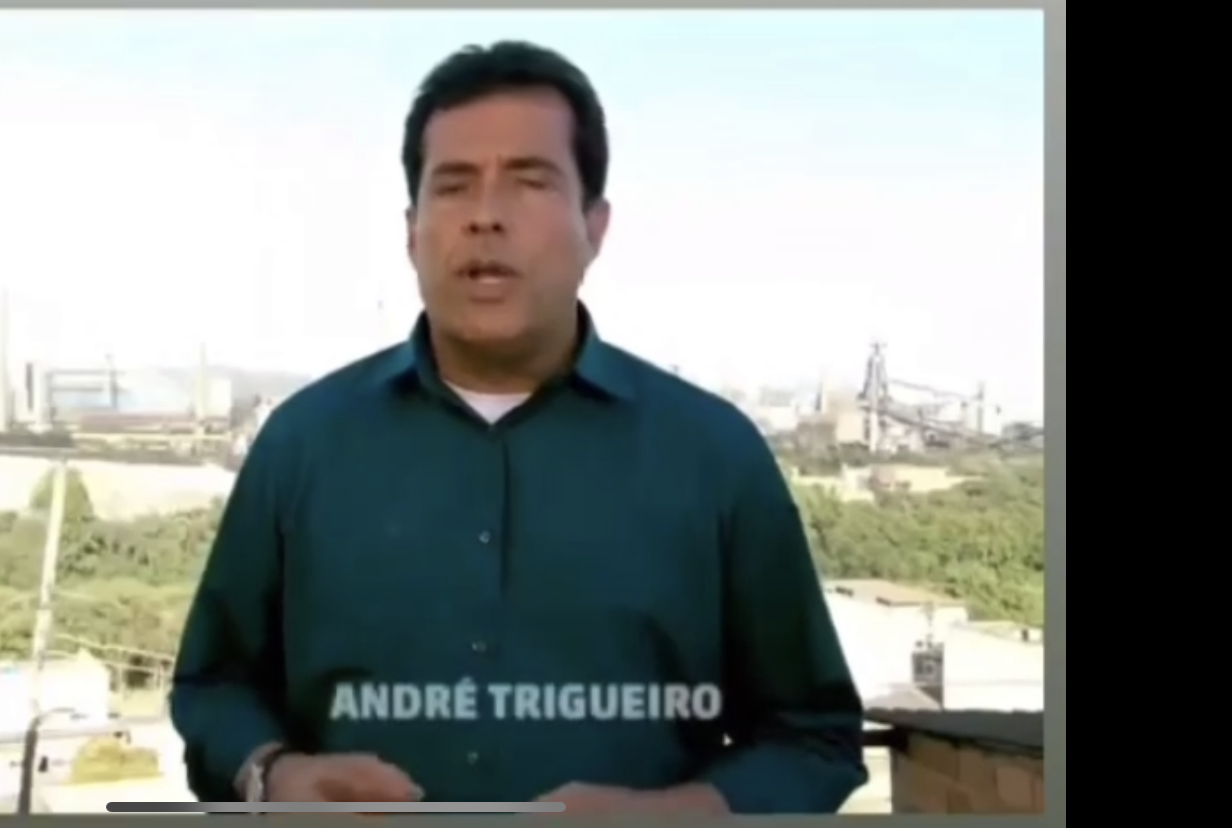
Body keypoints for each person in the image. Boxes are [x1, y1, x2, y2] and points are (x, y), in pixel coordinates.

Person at [169, 40, 866, 813]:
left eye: (530, 182)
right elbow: (212, 689)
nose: (485, 216)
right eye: (453, 185)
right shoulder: (301, 445)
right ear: (411, 231)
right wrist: (269, 775)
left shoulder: (715, 457)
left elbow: (815, 740)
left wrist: (684, 813)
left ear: (595, 226)